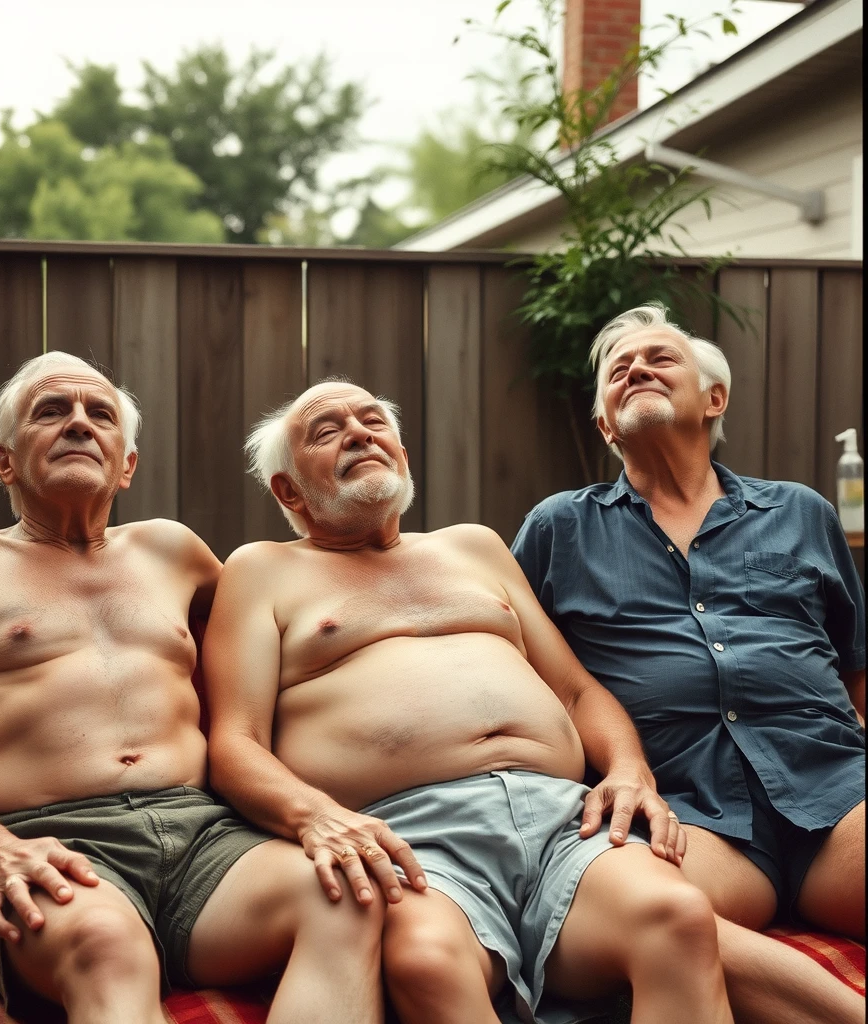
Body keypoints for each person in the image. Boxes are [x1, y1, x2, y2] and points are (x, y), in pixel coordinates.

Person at [0, 352, 389, 1024]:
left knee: (347, 894)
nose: (79, 423)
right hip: (49, 841)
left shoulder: (173, 551)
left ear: (127, 465)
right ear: (4, 461)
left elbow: (291, 621)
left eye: (100, 415)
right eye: (51, 412)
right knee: (109, 944)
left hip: (206, 840)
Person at [201, 378, 735, 1024]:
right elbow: (234, 742)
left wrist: (628, 769)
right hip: (412, 837)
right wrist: (316, 815)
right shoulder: (261, 571)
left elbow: (576, 690)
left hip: (565, 823)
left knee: (677, 918)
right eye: (327, 430)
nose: (359, 432)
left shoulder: (474, 547)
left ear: (401, 456)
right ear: (288, 490)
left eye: (373, 420)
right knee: (427, 961)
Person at [511, 303, 866, 1024]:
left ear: (715, 399)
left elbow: (856, 661)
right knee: (638, 920)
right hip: (690, 813)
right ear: (606, 426)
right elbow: (517, 673)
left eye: (660, 358)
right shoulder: (558, 529)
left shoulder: (800, 512)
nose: (637, 368)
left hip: (834, 787)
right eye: (618, 371)